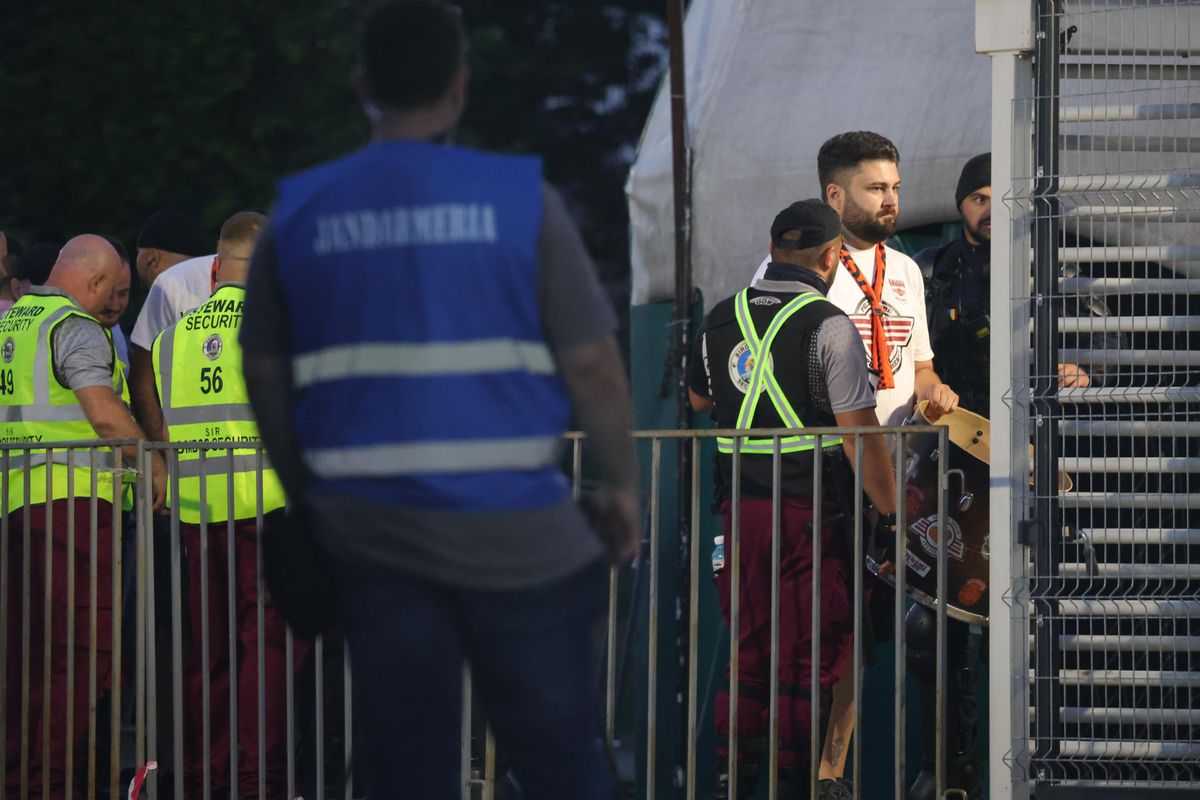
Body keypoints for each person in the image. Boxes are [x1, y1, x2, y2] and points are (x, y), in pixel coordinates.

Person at [241, 3, 638, 798]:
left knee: (405, 766)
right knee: (560, 759)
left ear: (364, 87)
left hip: (375, 538)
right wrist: (623, 486)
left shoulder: (300, 213)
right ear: (458, 85)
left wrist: (310, 495)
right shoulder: (521, 201)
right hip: (519, 536)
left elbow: (265, 374)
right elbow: (593, 361)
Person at [690, 200, 900, 800]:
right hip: (811, 516)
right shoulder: (830, 325)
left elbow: (700, 399)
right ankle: (793, 784)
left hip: (738, 513)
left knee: (748, 649)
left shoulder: (719, 317)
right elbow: (860, 436)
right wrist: (891, 514)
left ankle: (733, 780)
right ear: (832, 256)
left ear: (773, 250)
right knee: (807, 655)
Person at [1, 236, 165, 799]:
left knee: (26, 661)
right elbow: (103, 413)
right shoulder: (73, 326)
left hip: (17, 511)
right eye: (111, 291)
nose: (112, 304)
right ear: (93, 281)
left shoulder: (14, 322)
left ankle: (23, 781)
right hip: (72, 514)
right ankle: (49, 785)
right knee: (80, 656)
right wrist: (151, 464)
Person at [151, 210, 303, 798]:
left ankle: (202, 778)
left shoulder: (169, 341)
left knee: (207, 655)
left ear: (215, 269)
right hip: (267, 510)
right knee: (266, 651)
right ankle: (259, 781)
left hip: (196, 513)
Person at [128, 211, 212, 442]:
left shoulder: (166, 285)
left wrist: (161, 450)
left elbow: (141, 384)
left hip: (185, 448)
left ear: (151, 259)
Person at [99, 235, 132, 379]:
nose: (114, 305)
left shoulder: (119, 335)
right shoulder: (70, 337)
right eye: (107, 293)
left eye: (123, 294)